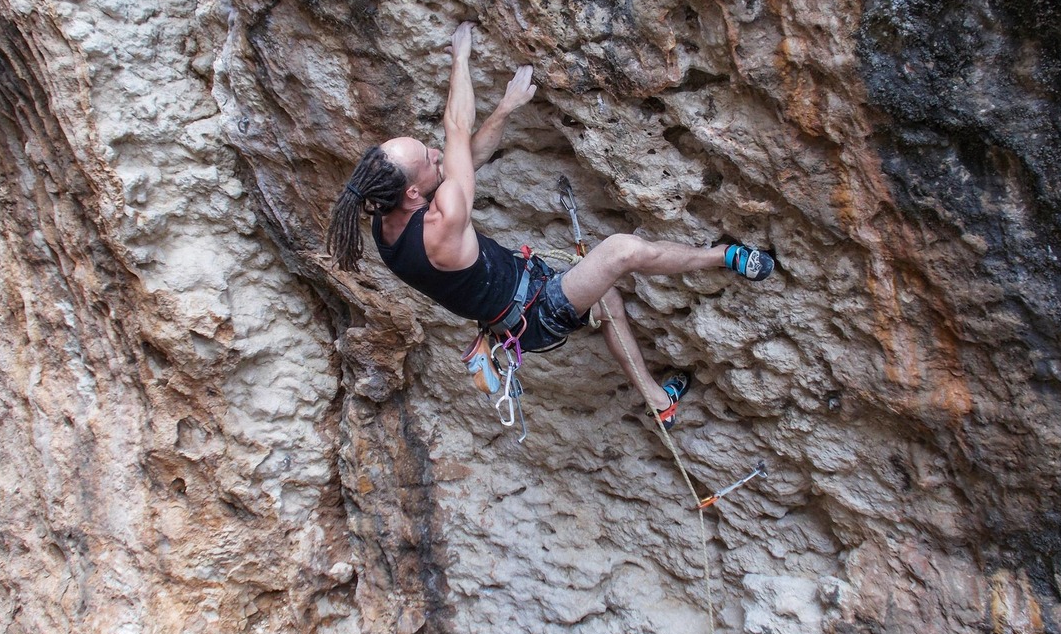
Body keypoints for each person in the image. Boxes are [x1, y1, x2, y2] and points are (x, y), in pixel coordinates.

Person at [326, 22, 774, 429]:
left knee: (608, 301)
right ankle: (725, 254)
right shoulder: (441, 227)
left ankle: (660, 403)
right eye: (427, 159)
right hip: (535, 313)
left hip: (521, 295)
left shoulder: (387, 220)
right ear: (412, 194)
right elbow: (456, 129)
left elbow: (469, 157)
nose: (436, 155)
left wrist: (503, 111)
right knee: (622, 251)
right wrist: (462, 59)